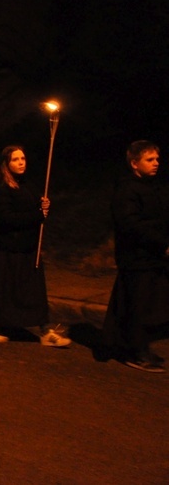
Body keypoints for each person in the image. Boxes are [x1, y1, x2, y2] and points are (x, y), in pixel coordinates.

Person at [0, 145, 71, 347]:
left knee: (34, 290)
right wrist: (37, 215)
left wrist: (43, 206)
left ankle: (45, 330)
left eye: (23, 158)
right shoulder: (0, 188)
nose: (21, 162)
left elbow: (35, 209)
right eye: (15, 159)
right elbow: (7, 218)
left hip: (30, 246)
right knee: (3, 290)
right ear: (6, 163)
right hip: (10, 247)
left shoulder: (26, 183)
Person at [102, 140, 169, 373]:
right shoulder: (127, 190)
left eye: (157, 159)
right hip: (137, 258)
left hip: (154, 257)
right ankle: (136, 352)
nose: (156, 163)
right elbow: (131, 224)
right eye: (149, 160)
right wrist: (162, 243)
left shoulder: (154, 187)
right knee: (139, 306)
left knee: (152, 304)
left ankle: (138, 346)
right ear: (134, 163)